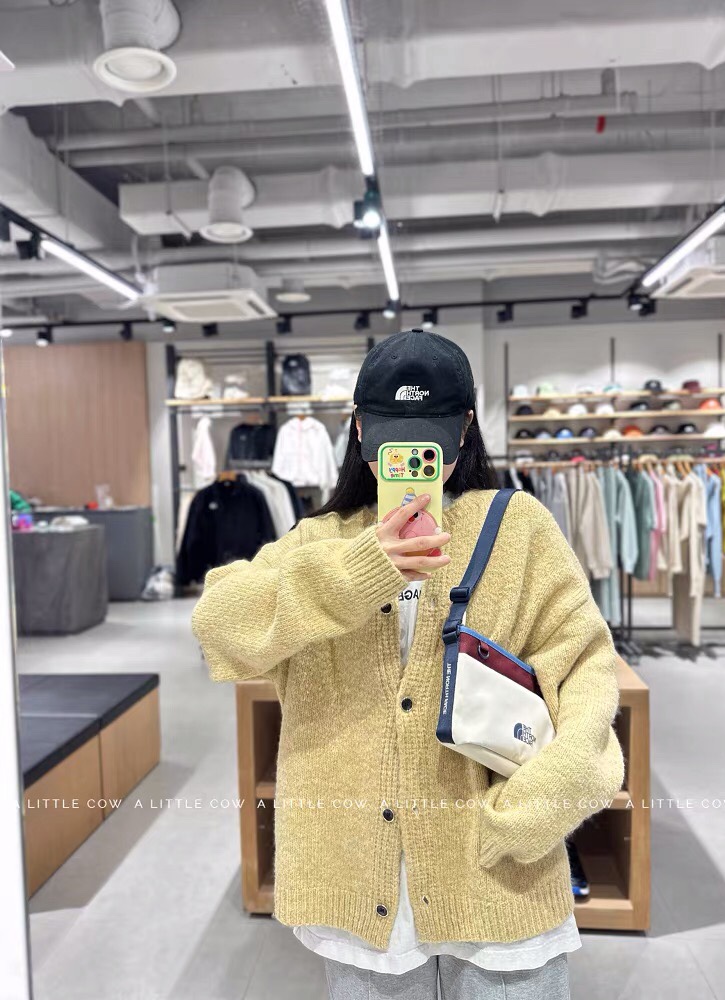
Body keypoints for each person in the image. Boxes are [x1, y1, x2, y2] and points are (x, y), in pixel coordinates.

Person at [192, 329, 625, 1000]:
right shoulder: (323, 541)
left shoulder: (519, 528)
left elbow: (588, 674)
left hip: (498, 882)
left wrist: (536, 808)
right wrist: (359, 573)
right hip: (359, 893)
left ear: (464, 430)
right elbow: (219, 627)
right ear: (361, 429)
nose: (413, 464)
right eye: (394, 443)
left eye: (430, 444)